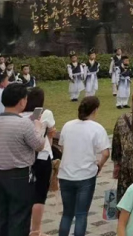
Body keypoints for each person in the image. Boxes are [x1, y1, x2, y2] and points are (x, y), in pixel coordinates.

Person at [0, 83, 46, 236]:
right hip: (18, 176)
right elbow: (39, 145)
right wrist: (38, 128)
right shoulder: (24, 123)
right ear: (21, 101)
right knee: (19, 220)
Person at [58, 96, 111, 236]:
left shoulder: (67, 125)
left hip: (65, 174)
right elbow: (105, 153)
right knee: (81, 214)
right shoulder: (97, 128)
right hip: (85, 175)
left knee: (67, 214)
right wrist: (99, 165)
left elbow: (62, 147)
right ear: (95, 110)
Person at [24, 87, 57, 236]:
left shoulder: (21, 115)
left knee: (25, 191)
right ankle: (36, 229)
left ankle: (24, 226)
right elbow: (52, 130)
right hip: (43, 155)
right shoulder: (45, 113)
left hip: (25, 157)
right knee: (40, 193)